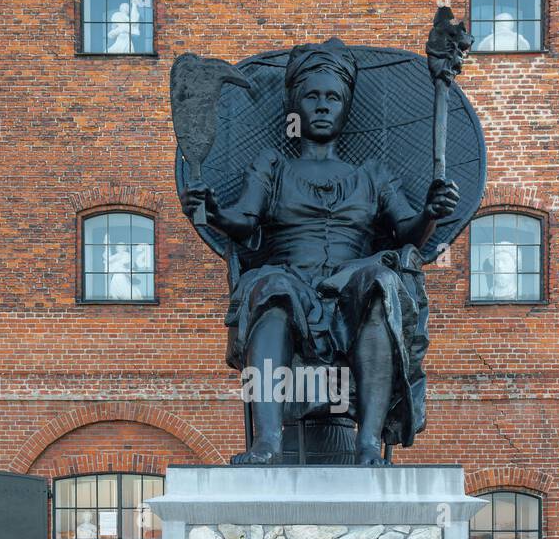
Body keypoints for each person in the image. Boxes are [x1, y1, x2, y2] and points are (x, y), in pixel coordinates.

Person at [181, 38, 459, 465]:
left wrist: (430, 212)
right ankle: (267, 445)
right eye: (312, 96)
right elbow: (243, 222)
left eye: (333, 97)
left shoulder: (372, 175)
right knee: (269, 291)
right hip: (291, 280)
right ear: (296, 106)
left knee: (382, 286)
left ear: (346, 106)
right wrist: (214, 212)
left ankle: (368, 446)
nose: (323, 106)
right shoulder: (272, 166)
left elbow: (408, 234)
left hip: (353, 287)